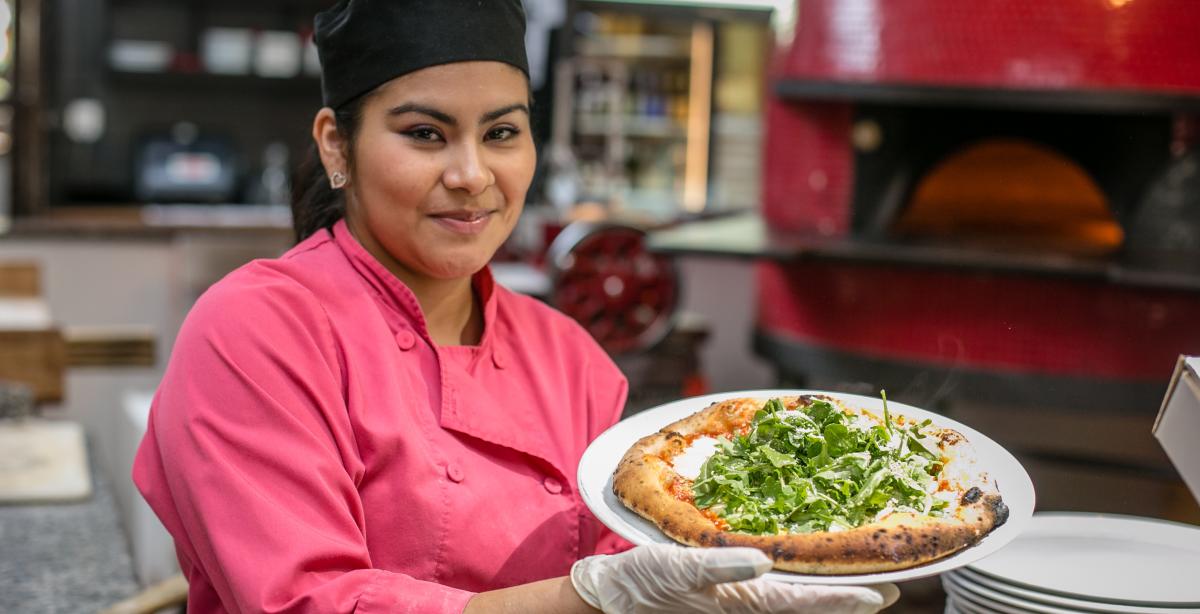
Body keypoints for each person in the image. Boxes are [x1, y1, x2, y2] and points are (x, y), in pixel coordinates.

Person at [133, 1, 900, 612]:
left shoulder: (569, 357)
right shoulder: (257, 330)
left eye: (501, 132)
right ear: (336, 146)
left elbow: (627, 553)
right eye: (426, 134)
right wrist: (586, 598)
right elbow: (306, 603)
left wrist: (711, 580)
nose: (472, 174)